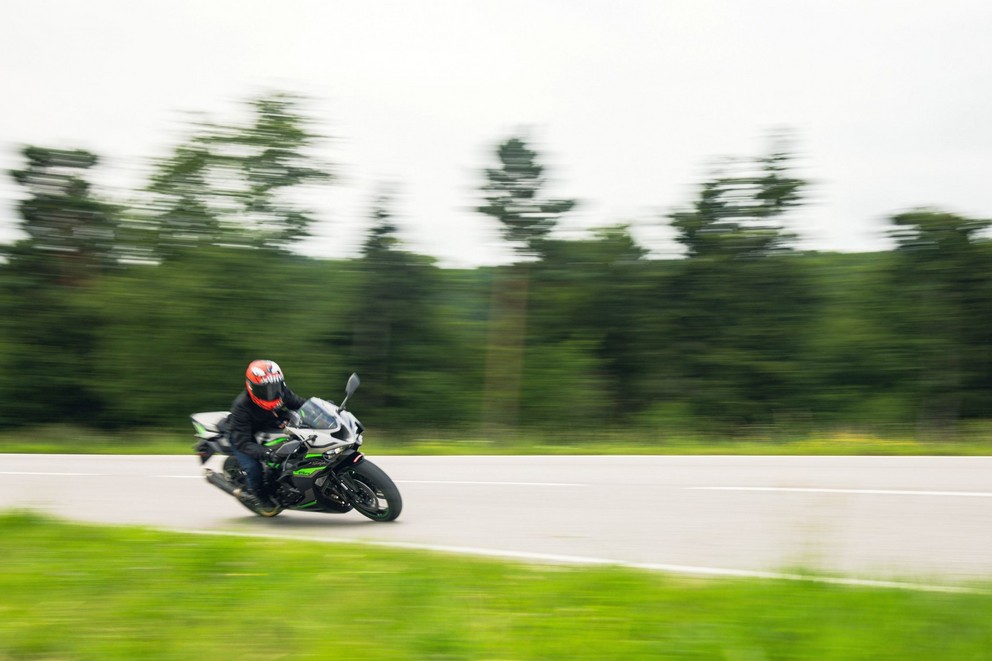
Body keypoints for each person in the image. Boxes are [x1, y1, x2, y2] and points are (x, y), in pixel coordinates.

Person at [227, 359, 306, 514]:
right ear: (251, 387)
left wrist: (322, 408)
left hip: (267, 423)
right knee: (254, 468)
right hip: (243, 436)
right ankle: (261, 496)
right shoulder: (241, 406)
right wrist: (266, 452)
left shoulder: (281, 392)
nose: (271, 393)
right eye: (265, 390)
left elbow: (299, 403)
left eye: (275, 388)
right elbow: (242, 442)